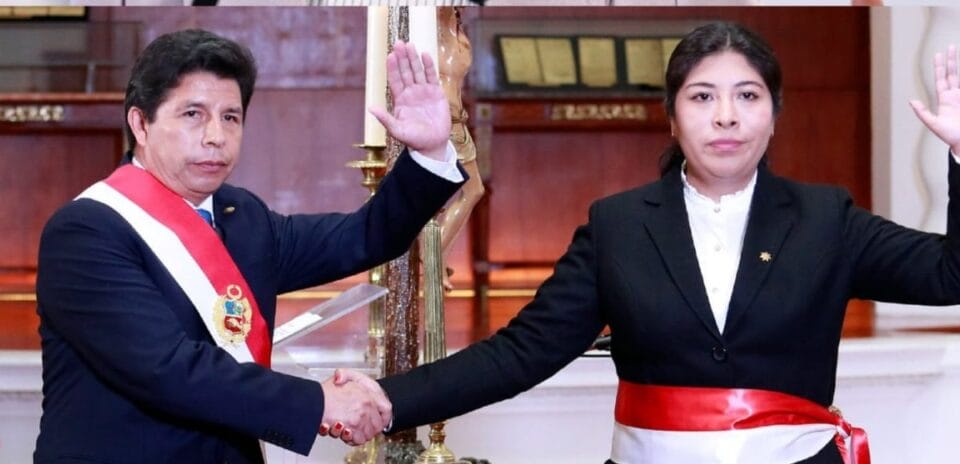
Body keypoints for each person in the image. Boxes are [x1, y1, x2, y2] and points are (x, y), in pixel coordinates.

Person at [334, 22, 960, 464]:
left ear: (774, 114)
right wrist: (389, 399)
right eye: (702, 96)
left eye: (747, 96)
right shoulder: (619, 226)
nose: (726, 115)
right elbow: (521, 353)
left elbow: (948, 274)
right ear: (672, 116)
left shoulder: (827, 219)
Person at [34, 29, 461, 462]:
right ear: (141, 124)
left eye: (230, 117)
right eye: (193, 115)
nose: (215, 136)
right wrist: (320, 403)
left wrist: (427, 153)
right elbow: (169, 369)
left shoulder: (243, 216)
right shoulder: (86, 231)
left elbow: (364, 237)